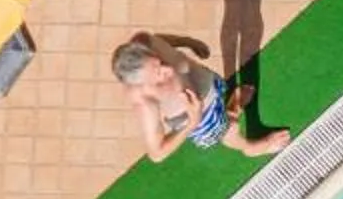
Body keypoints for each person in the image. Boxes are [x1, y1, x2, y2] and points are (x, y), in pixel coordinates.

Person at [112, 32, 288, 161]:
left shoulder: (144, 41)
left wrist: (188, 42)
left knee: (227, 114)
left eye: (160, 62)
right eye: (158, 74)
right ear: (142, 83)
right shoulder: (143, 102)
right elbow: (157, 153)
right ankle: (251, 148)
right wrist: (192, 122)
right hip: (200, 118)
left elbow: (161, 40)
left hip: (211, 84)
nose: (169, 70)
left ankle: (232, 107)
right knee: (229, 131)